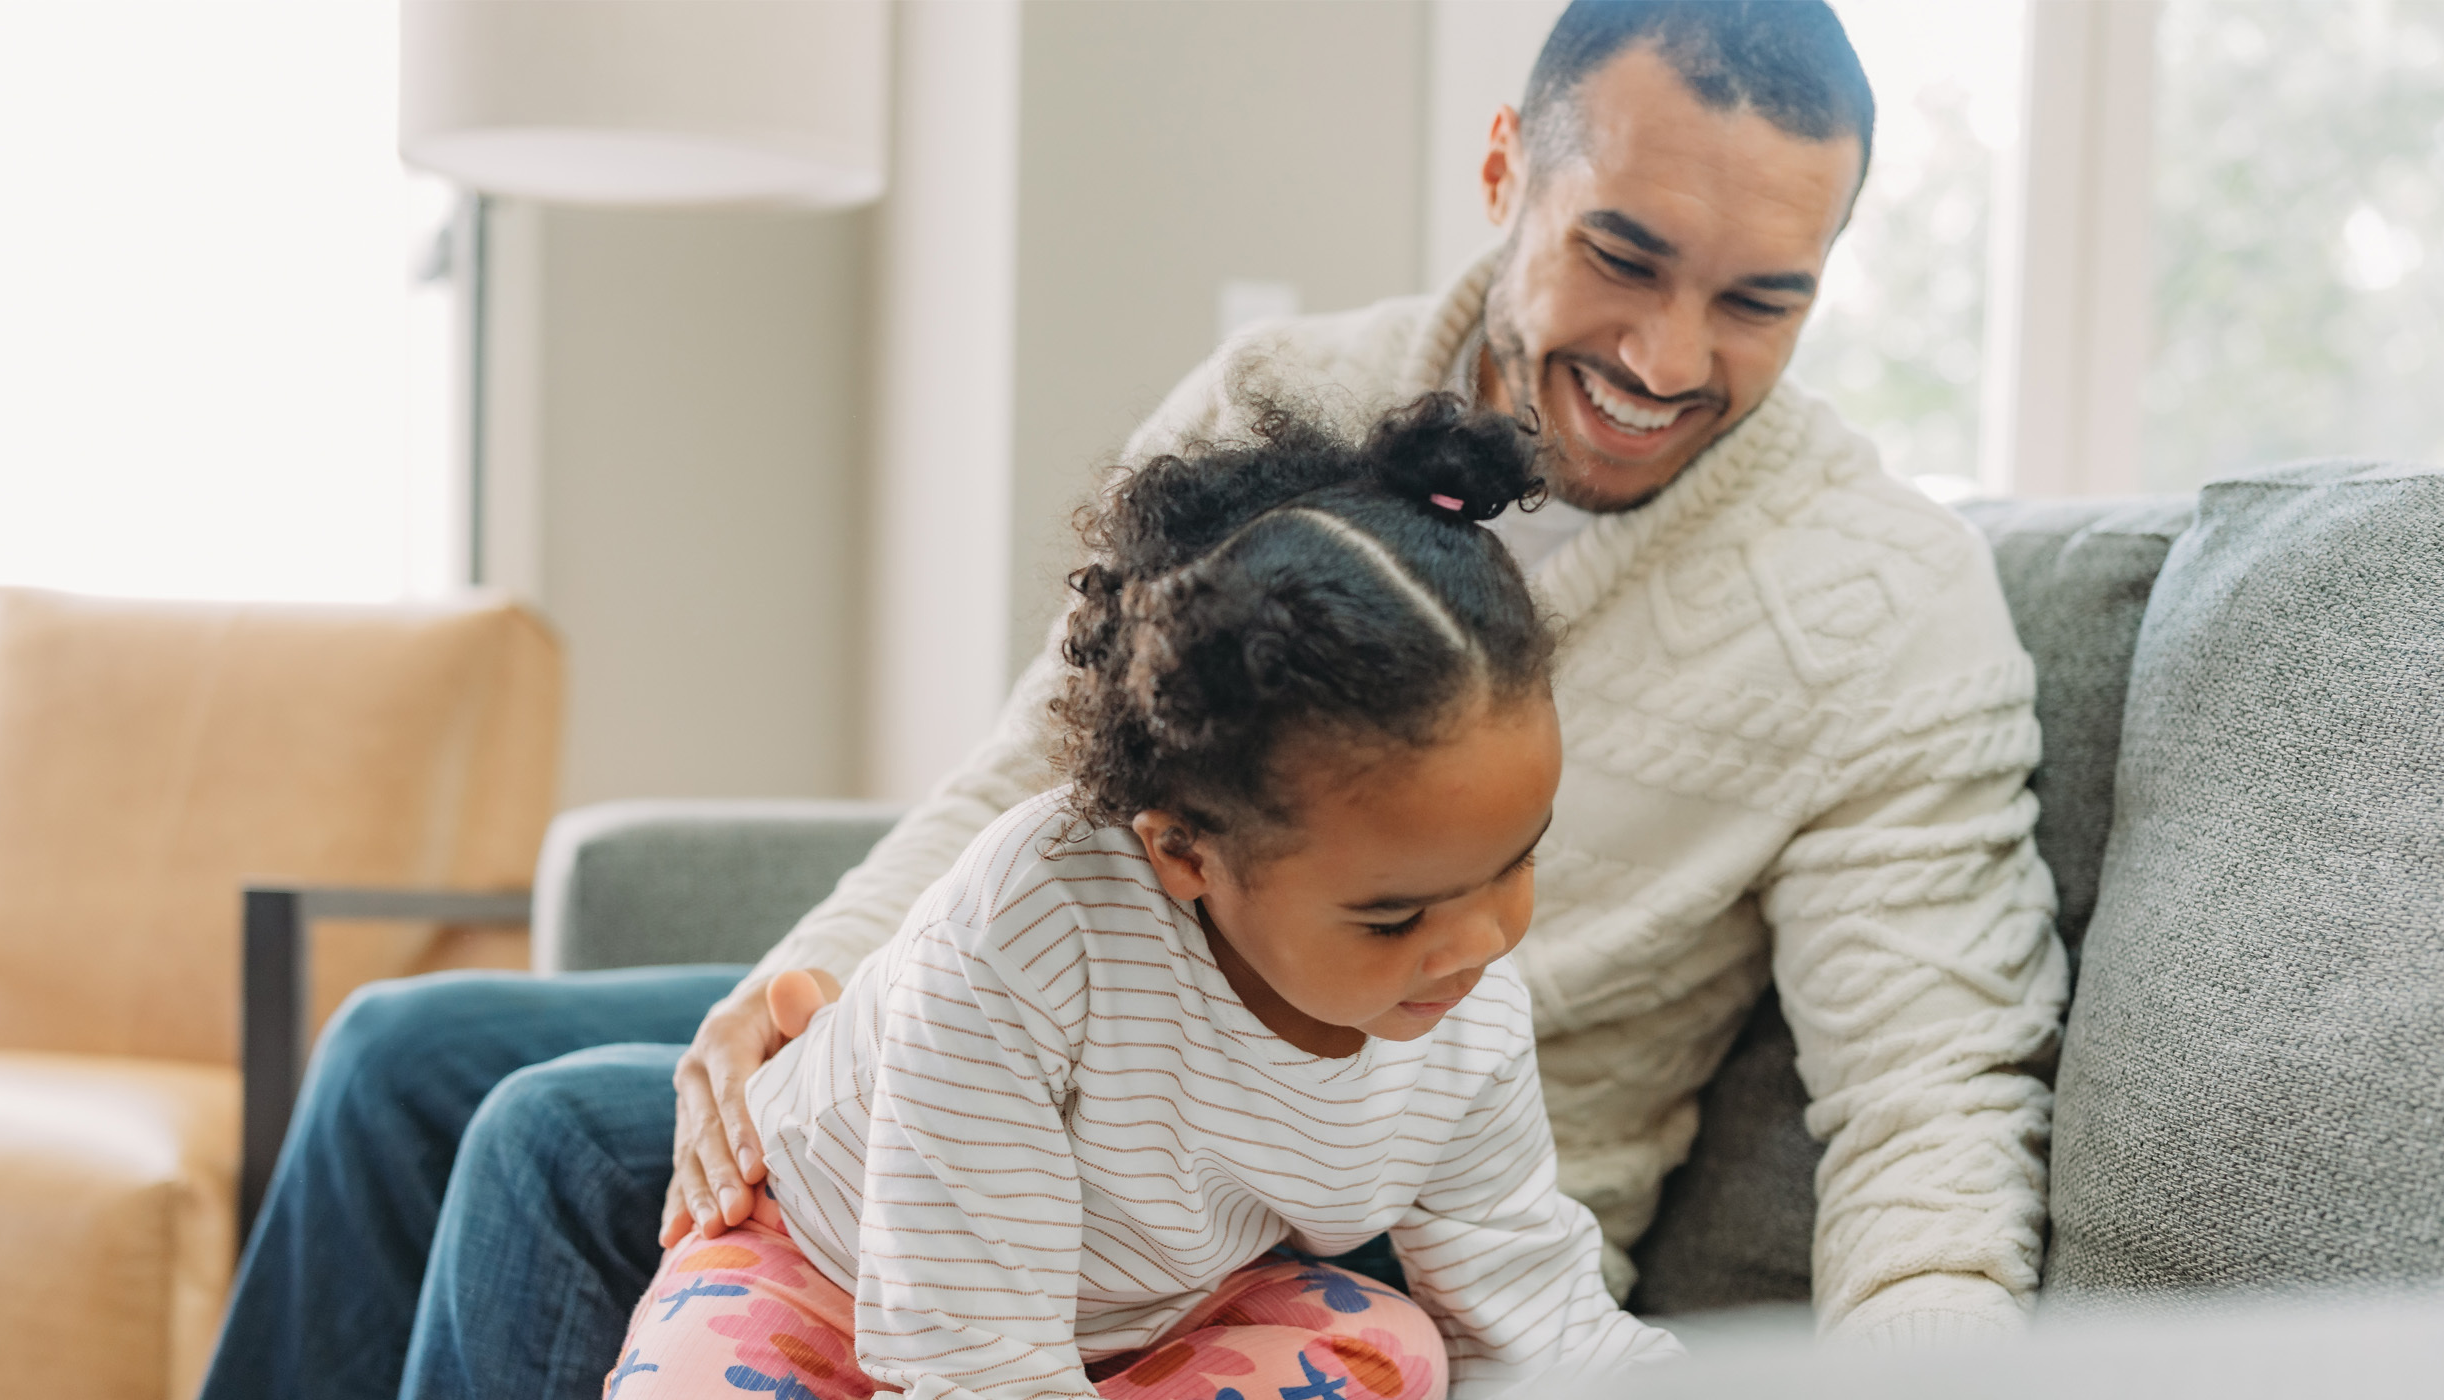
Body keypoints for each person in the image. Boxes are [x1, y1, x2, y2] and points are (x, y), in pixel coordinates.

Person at [203, 4, 2067, 1397]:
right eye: (1623, 257)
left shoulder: (1886, 608)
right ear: (1509, 173)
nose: (1671, 357)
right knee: (393, 1064)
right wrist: (817, 984)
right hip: (1096, 1033)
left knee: (540, 1136)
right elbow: (1034, 776)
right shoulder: (1289, 397)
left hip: (1366, 1169)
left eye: (1761, 301)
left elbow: (1929, 1105)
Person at [603, 397, 1679, 1400]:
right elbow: (977, 1352)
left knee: (1391, 1348)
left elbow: (1536, 1309)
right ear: (1183, 851)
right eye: (1394, 916)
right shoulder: (1030, 930)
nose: (1479, 942)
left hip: (1135, 1318)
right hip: (834, 1260)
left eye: (1516, 862)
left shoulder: (1466, 1012)